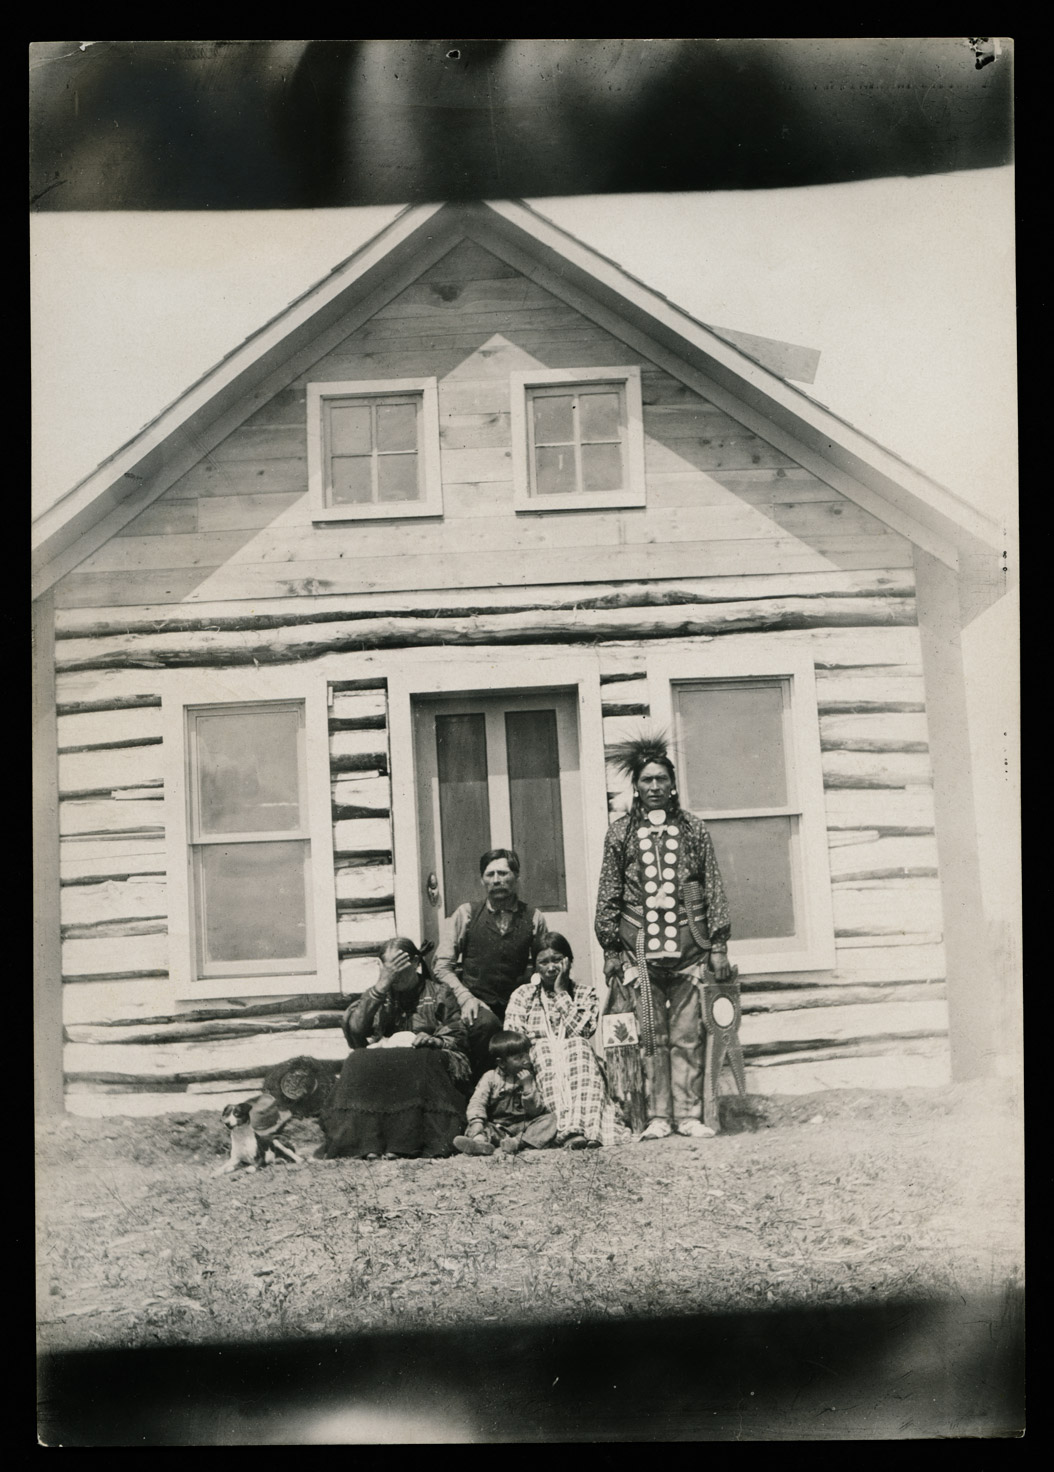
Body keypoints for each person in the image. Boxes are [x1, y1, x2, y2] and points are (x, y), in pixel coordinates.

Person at [594, 732, 733, 1141]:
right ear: (635, 787)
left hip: (691, 947)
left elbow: (713, 886)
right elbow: (609, 893)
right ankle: (658, 1115)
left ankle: (688, 1114)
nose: (654, 787)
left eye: (661, 780)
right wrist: (609, 949)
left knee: (687, 1034)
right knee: (651, 1035)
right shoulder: (619, 834)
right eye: (646, 780)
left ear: (673, 784)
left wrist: (719, 944)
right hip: (639, 950)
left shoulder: (692, 829)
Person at [318, 937, 470, 1160]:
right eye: (390, 970)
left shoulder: (439, 992)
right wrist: (381, 985)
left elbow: (458, 1033)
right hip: (388, 1056)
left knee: (419, 1061)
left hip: (427, 1055)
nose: (395, 976)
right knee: (356, 1060)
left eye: (399, 969)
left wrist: (434, 1040)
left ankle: (406, 1142)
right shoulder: (379, 994)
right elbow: (356, 1030)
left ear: (416, 962)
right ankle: (363, 1142)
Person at [433, 848, 549, 1080]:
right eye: (490, 874)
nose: (497, 880)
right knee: (486, 1025)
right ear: (482, 879)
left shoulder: (533, 917)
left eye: (504, 873)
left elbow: (543, 964)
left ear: (517, 877)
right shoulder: (466, 914)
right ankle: (483, 1093)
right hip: (475, 1003)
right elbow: (441, 966)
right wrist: (466, 997)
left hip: (516, 1003)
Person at [504, 932, 627, 1149]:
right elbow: (514, 1040)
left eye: (557, 960)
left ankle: (586, 1129)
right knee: (546, 1051)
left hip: (578, 1064)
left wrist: (561, 994)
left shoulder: (584, 994)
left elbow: (583, 1030)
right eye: (544, 962)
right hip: (540, 1064)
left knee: (577, 1046)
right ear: (535, 966)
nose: (551, 968)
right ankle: (565, 1130)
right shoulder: (523, 995)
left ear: (568, 961)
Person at [453, 1030, 558, 1156]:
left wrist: (528, 1087)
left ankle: (517, 1143)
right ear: (501, 1063)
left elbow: (535, 1111)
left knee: (550, 1119)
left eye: (526, 1054)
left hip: (522, 1126)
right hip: (498, 1127)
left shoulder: (530, 1077)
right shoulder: (490, 1077)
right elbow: (477, 1102)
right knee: (479, 1126)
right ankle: (479, 1143)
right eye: (518, 1058)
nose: (526, 1060)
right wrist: (477, 1122)